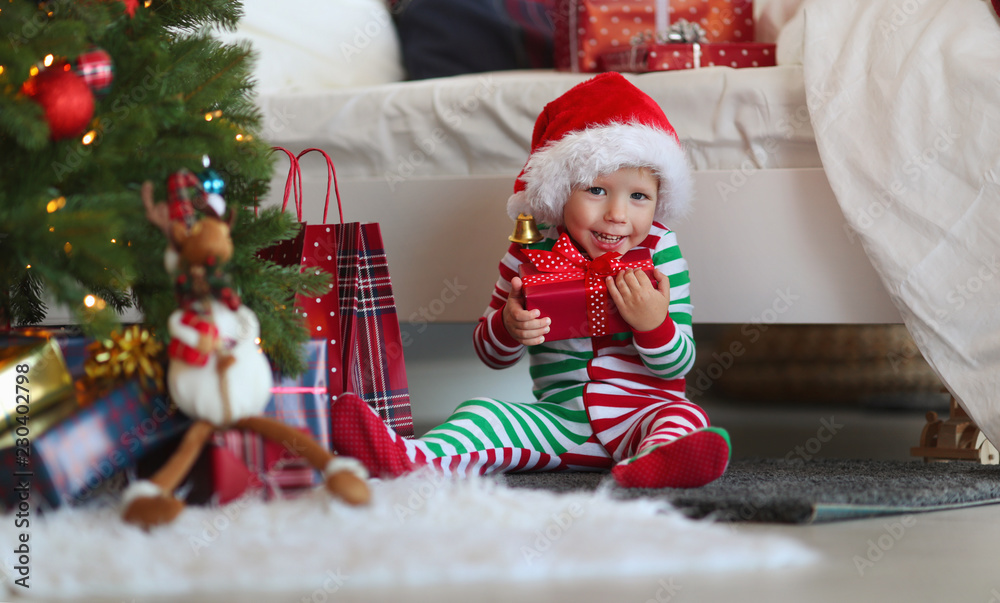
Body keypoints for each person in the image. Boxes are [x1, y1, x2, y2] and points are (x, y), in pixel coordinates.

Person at [331, 72, 730, 488]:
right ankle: (407, 457)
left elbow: (678, 362)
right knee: (480, 413)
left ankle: (656, 462)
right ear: (560, 192)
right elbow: (491, 354)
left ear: (658, 200)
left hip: (644, 413)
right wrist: (508, 324)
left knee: (685, 417)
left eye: (638, 196)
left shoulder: (660, 250)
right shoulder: (530, 250)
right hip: (561, 422)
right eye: (596, 190)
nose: (617, 213)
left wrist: (653, 323)